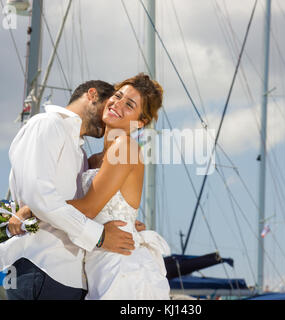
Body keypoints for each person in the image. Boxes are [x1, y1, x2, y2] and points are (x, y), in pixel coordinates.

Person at [0, 80, 142, 300]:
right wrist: (99, 236)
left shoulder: (81, 153)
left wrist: (123, 221)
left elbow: (84, 205)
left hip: (72, 276)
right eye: (108, 105)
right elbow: (39, 197)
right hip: (41, 266)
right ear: (92, 95)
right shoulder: (47, 124)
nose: (108, 116)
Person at [10, 73, 171, 300]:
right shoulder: (93, 159)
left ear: (140, 122)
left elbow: (88, 209)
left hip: (119, 264)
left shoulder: (125, 147)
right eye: (117, 96)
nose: (117, 104)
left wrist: (31, 210)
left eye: (130, 105)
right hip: (93, 266)